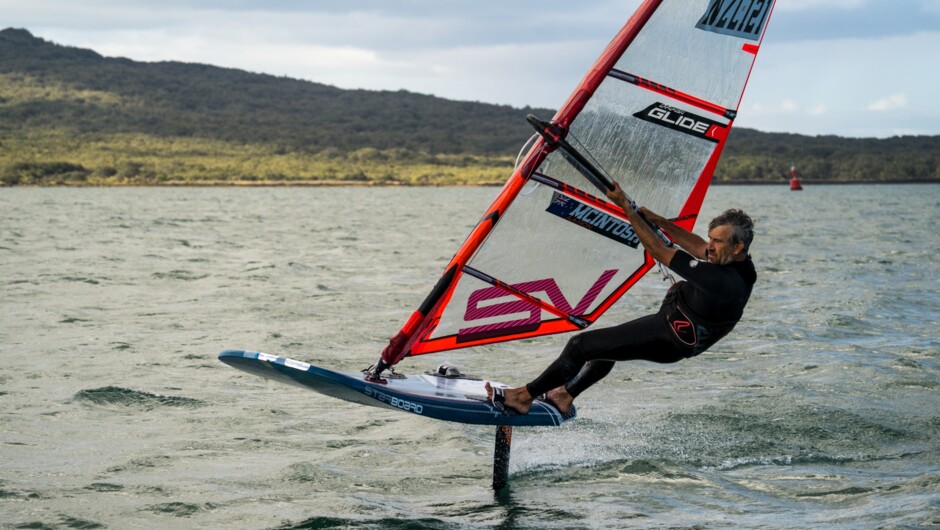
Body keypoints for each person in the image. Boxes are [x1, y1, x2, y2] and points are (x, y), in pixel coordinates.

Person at [486, 182, 757, 415]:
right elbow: (698, 247)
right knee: (607, 349)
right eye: (711, 238)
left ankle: (523, 397)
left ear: (738, 246)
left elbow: (658, 250)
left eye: (718, 242)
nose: (710, 247)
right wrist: (660, 221)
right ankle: (564, 395)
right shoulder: (743, 267)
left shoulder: (720, 280)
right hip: (677, 336)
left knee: (580, 346)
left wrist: (627, 208)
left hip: (667, 336)